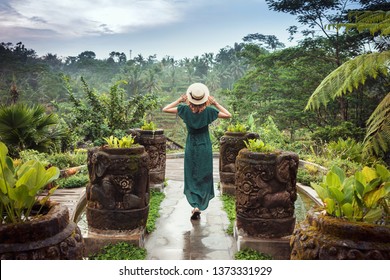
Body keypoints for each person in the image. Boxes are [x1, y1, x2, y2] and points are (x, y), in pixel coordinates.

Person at [162, 83, 232, 220]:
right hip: (204, 145)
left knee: (191, 173)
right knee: (204, 174)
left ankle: (194, 205)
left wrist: (179, 100)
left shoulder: (184, 109)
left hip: (191, 145)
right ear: (204, 98)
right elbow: (228, 115)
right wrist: (215, 103)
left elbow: (165, 109)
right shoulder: (210, 111)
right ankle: (200, 205)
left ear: (191, 97)